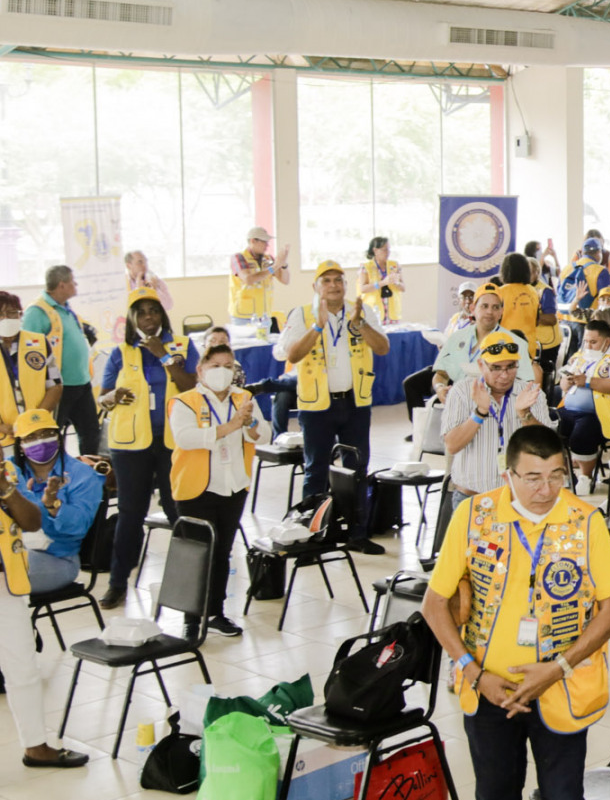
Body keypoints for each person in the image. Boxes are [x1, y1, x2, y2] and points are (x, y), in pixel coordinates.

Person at [421, 424, 610, 800]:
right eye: (532, 478)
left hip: (561, 690)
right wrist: (473, 672)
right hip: (488, 690)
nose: (546, 490)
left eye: (556, 476)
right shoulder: (474, 516)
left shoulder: (584, 521)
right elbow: (433, 605)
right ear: (508, 474)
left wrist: (557, 668)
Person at [277, 259, 391, 555]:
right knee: (316, 469)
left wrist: (360, 324)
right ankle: (314, 534)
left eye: (338, 280)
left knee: (357, 468)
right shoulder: (302, 314)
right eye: (326, 281)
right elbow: (292, 355)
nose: (333, 286)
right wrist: (317, 326)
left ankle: (357, 533)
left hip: (355, 402)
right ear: (315, 287)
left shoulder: (360, 310)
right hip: (317, 406)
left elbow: (382, 348)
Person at [98, 288, 194, 607]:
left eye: (153, 310)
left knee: (177, 508)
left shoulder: (182, 345)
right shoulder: (120, 353)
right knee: (130, 513)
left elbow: (192, 386)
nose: (148, 317)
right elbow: (102, 397)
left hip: (173, 440)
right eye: (141, 312)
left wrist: (162, 355)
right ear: (132, 319)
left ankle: (191, 579)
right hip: (130, 445)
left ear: (162, 314)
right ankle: (117, 583)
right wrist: (113, 396)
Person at [169, 343, 265, 635]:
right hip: (196, 489)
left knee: (222, 551)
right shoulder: (184, 401)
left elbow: (265, 434)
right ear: (200, 370)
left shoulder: (244, 398)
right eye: (215, 366)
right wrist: (232, 425)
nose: (222, 372)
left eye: (228, 366)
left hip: (233, 485)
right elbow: (186, 438)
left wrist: (250, 423)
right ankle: (191, 618)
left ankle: (215, 613)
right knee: (197, 553)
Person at [0, 454, 88, 768]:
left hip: (6, 585)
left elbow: (32, 522)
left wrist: (4, 488)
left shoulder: (6, 471)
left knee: (23, 667)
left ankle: (36, 747)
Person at [443, 333, 549, 509]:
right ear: (481, 365)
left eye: (511, 366)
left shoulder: (531, 393)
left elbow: (547, 449)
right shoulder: (461, 392)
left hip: (519, 498)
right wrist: (479, 412)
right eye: (496, 368)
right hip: (471, 498)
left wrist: (525, 414)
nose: (504, 375)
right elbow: (452, 445)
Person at [8, 409, 103, 595]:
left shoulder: (82, 474)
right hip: (15, 547)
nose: (41, 441)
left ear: (58, 438)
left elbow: (79, 527)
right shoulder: (10, 470)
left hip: (58, 558)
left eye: (47, 434)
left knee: (9, 575)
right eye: (31, 437)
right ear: (20, 445)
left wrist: (53, 506)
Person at [555, 313, 610, 490]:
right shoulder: (581, 356)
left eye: (593, 342)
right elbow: (562, 383)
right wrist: (567, 382)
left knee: (582, 434)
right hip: (569, 409)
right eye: (586, 341)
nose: (588, 346)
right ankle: (565, 472)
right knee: (548, 427)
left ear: (607, 341)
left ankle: (585, 477)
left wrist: (587, 381)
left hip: (601, 414)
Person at [23, 265, 100, 455]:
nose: (76, 284)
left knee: (91, 433)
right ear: (61, 285)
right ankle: (57, 471)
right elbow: (28, 353)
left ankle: (89, 470)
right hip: (59, 388)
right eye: (73, 281)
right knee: (53, 437)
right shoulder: (37, 311)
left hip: (81, 382)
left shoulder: (65, 308)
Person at [0, 290, 61, 443]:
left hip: (39, 433)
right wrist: (2, 427)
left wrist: (35, 420)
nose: (5, 319)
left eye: (11, 313)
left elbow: (55, 385)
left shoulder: (39, 342)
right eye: (0, 314)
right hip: (4, 437)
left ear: (20, 314)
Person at [227, 226, 290, 329]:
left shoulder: (268, 259)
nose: (267, 245)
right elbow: (248, 279)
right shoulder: (239, 257)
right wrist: (274, 267)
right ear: (253, 241)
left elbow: (285, 280)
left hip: (264, 316)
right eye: (264, 242)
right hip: (243, 316)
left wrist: (283, 264)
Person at [358, 236, 405, 324]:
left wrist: (396, 283)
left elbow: (403, 288)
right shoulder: (366, 267)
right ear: (375, 250)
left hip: (392, 314)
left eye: (389, 249)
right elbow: (363, 289)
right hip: (374, 312)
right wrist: (383, 283)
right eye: (384, 250)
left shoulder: (394, 265)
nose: (388, 252)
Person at [123, 250, 174, 316]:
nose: (144, 265)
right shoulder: (122, 284)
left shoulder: (156, 281)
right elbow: (124, 307)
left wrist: (155, 290)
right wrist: (138, 290)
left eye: (146, 261)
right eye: (140, 262)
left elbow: (168, 305)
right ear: (128, 266)